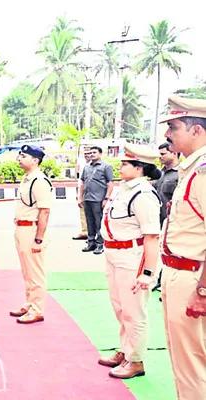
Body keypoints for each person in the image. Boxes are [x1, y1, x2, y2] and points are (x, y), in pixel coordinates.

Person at [97, 143, 162, 379]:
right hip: (114, 254)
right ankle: (126, 350)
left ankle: (136, 361)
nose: (120, 167)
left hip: (132, 256)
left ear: (139, 168)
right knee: (120, 307)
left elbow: (152, 236)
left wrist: (147, 272)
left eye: (125, 164)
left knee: (134, 311)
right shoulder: (123, 189)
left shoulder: (143, 194)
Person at [158, 96, 206, 400]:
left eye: (174, 127)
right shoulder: (190, 169)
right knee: (188, 358)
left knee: (190, 364)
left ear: (197, 131)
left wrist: (202, 291)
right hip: (181, 273)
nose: (167, 134)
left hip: (193, 277)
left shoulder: (202, 173)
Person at [9, 144, 53, 324]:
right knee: (27, 271)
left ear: (35, 160)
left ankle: (37, 309)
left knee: (35, 273)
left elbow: (44, 211)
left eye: (23, 156)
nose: (19, 159)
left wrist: (39, 239)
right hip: (21, 228)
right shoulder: (27, 179)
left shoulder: (39, 181)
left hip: (32, 230)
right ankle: (30, 302)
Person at [78, 146, 114, 255]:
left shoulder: (106, 166)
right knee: (89, 221)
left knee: (99, 222)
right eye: (91, 152)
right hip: (87, 198)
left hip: (98, 199)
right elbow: (82, 183)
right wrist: (80, 197)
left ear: (100, 154)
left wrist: (106, 198)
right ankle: (91, 242)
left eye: (94, 152)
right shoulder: (86, 167)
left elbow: (110, 183)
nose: (92, 154)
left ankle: (100, 244)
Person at [153, 142, 180, 227]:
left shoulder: (181, 173)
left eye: (163, 154)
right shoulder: (159, 173)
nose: (160, 157)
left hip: (171, 222)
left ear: (174, 153)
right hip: (156, 221)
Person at [73, 148, 91, 240]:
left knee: (95, 214)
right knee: (82, 212)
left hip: (94, 193)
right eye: (85, 153)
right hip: (82, 191)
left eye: (89, 153)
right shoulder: (82, 164)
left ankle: (95, 234)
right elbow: (80, 181)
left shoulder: (99, 165)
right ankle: (85, 232)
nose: (87, 155)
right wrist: (79, 194)